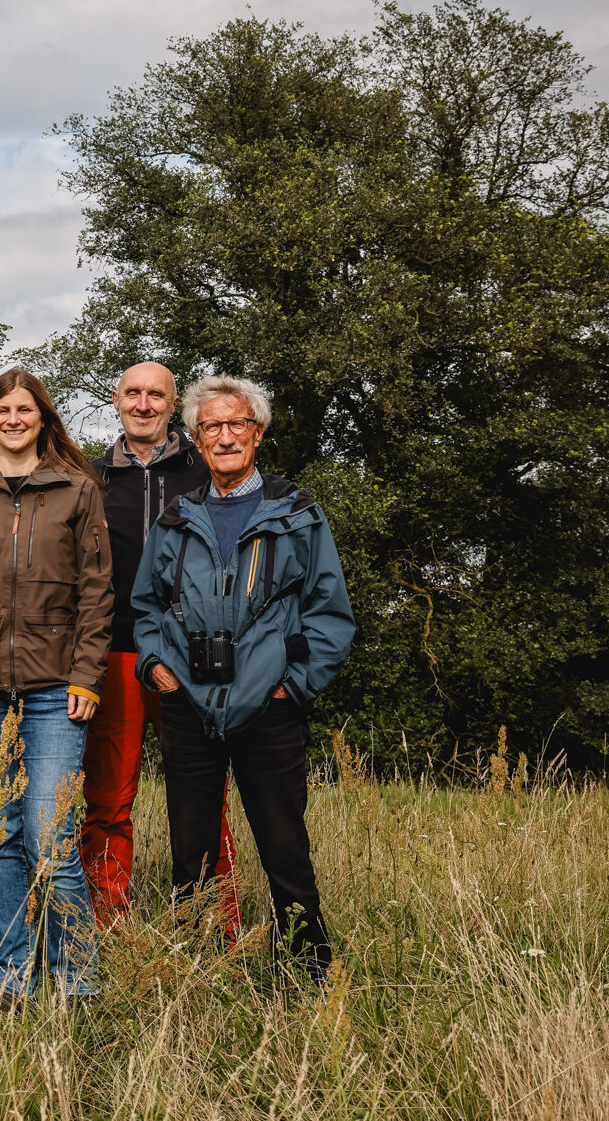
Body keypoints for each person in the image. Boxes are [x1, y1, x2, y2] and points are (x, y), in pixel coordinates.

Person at [132, 375, 354, 984]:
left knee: (284, 847)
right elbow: (146, 606)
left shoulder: (298, 514)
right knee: (190, 851)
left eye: (236, 425)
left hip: (270, 707)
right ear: (197, 439)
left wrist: (295, 685)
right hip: (188, 705)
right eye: (211, 427)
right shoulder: (178, 517)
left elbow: (330, 613)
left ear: (257, 433)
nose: (224, 437)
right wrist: (155, 666)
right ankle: (190, 969)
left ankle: (306, 971)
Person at [0, 369, 113, 1000]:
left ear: (42, 418)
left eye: (24, 409)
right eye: (2, 410)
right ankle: (8, 977)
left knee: (50, 833)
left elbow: (97, 593)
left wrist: (88, 674)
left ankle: (78, 980)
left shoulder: (78, 492)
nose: (13, 419)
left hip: (55, 688)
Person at [85, 362, 238, 929]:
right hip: (114, 652)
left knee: (203, 797)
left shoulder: (206, 475)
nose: (144, 404)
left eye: (156, 395)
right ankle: (105, 923)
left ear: (175, 406)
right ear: (116, 400)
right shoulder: (89, 478)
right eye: (133, 394)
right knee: (108, 800)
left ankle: (214, 926)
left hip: (195, 655)